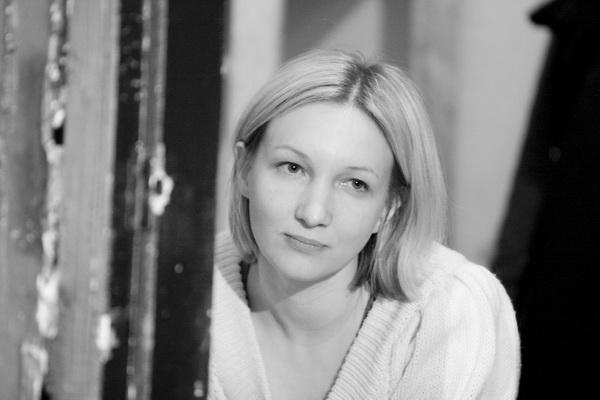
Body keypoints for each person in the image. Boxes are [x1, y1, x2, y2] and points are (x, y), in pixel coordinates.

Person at [208, 49, 520, 400]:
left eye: (355, 184)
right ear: (244, 169)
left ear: (388, 207)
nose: (313, 213)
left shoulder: (446, 312)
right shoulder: (181, 289)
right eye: (292, 168)